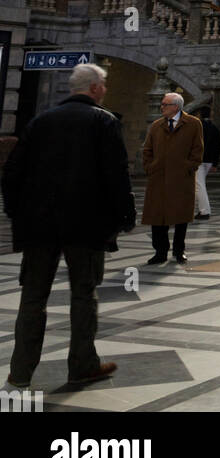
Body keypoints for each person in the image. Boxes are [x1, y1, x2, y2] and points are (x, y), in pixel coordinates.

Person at [1, 63, 135, 388]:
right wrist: (125, 217)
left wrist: (18, 214)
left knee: (33, 297)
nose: (105, 89)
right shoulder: (104, 121)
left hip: (38, 227)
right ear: (94, 88)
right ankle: (82, 365)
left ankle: (20, 373)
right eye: (103, 84)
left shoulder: (40, 121)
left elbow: (12, 174)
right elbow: (116, 176)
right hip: (85, 225)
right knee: (83, 295)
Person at [142, 93, 203, 264]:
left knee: (180, 216)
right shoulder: (156, 125)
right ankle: (160, 251)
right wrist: (149, 167)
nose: (161, 107)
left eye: (165, 104)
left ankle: (179, 250)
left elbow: (198, 149)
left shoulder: (193, 124)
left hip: (181, 178)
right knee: (157, 217)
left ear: (176, 106)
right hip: (158, 178)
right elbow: (147, 150)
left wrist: (188, 167)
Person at [194, 105, 220, 220]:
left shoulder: (197, 126)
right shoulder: (214, 128)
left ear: (199, 114)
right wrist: (215, 164)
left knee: (199, 185)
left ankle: (204, 211)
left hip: (199, 159)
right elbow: (218, 146)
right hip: (209, 160)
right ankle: (200, 209)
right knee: (198, 184)